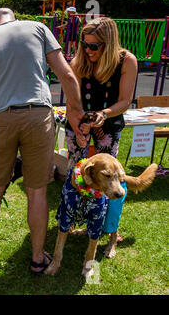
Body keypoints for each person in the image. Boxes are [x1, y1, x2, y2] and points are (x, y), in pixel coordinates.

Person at [0, 8, 84, 273]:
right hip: (38, 116)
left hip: (0, 119)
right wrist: (76, 112)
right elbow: (66, 75)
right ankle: (37, 258)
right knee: (37, 190)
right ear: (15, 18)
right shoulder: (38, 28)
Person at [65, 17, 138, 257]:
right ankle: (81, 224)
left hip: (108, 125)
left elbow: (125, 101)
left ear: (109, 43)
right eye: (85, 44)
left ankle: (110, 231)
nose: (88, 50)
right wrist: (77, 127)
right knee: (78, 178)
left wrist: (102, 115)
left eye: (94, 46)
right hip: (78, 124)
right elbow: (71, 102)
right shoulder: (79, 61)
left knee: (111, 181)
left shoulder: (127, 61)